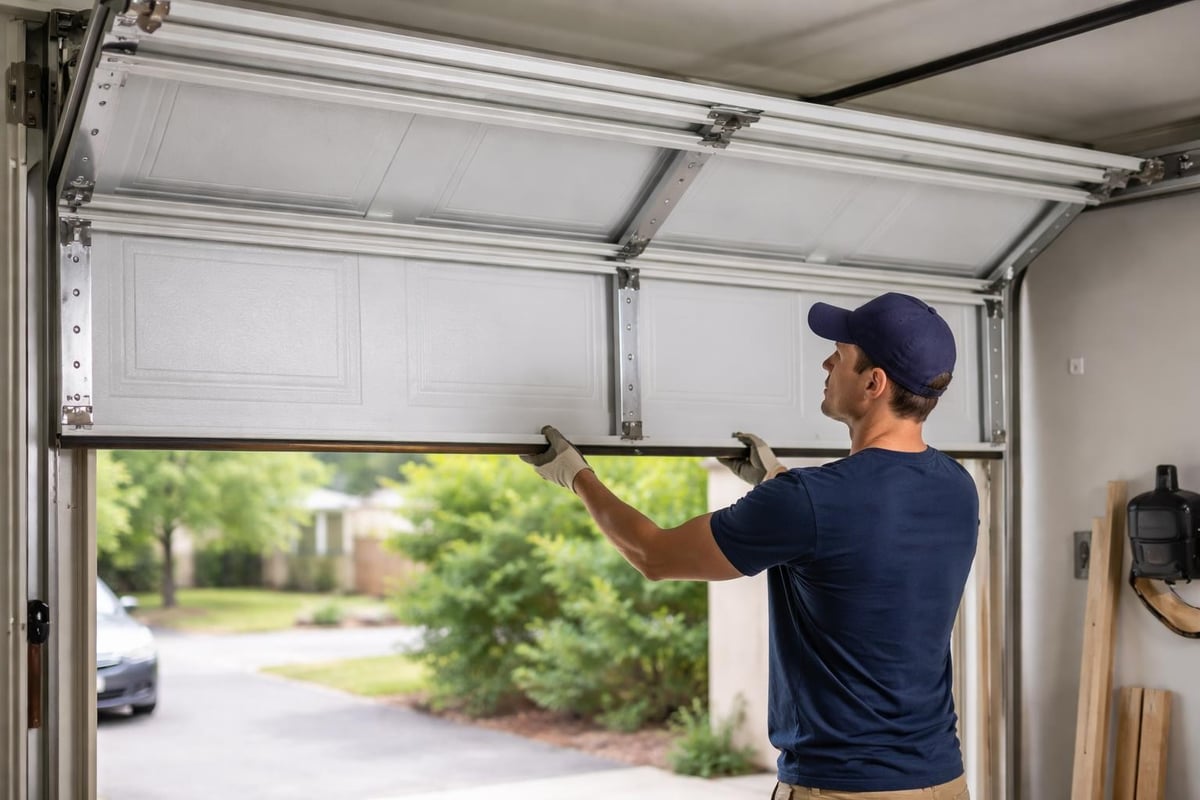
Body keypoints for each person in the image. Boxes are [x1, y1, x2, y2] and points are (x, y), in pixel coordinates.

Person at [521, 291, 978, 800]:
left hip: (844, 788)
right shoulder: (957, 487)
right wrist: (774, 480)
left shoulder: (809, 500)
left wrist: (577, 476)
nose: (827, 362)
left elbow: (655, 555)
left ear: (874, 383)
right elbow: (859, 536)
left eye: (840, 355)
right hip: (943, 780)